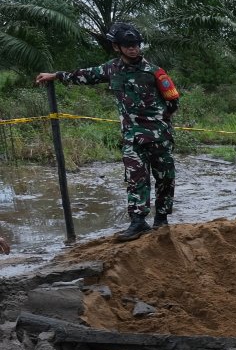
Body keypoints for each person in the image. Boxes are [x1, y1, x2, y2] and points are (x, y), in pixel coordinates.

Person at [35, 22, 180, 241]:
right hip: (132, 138)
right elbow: (84, 75)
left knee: (165, 178)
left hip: (159, 136)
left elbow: (173, 101)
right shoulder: (111, 69)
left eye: (136, 45)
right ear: (117, 47)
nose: (133, 48)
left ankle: (161, 218)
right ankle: (138, 221)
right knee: (136, 179)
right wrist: (56, 76)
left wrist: (159, 122)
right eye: (128, 45)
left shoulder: (155, 72)